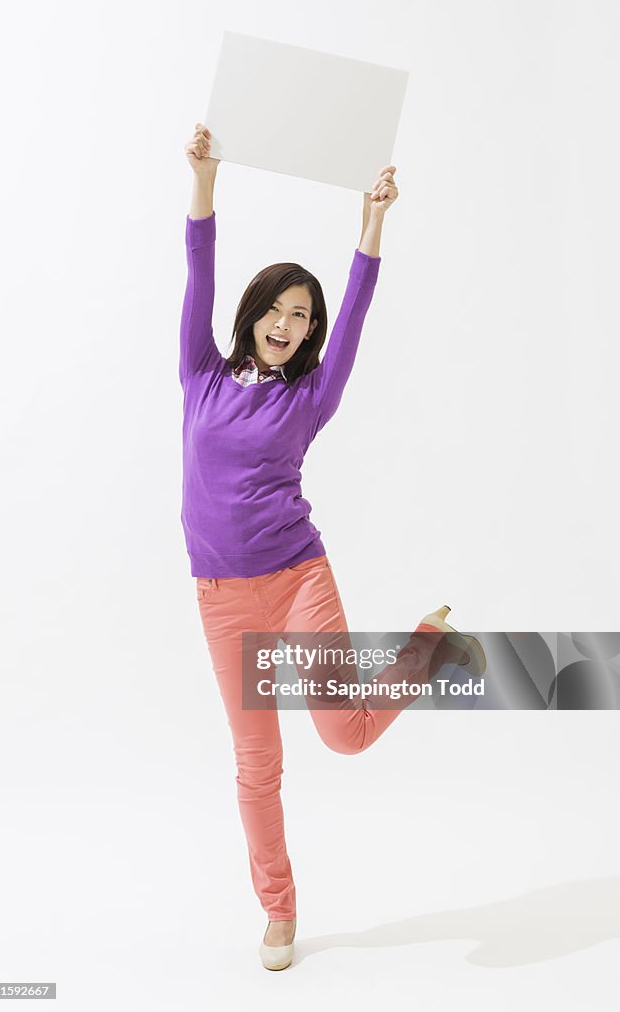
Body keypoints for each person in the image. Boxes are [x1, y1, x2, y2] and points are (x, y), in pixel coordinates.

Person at [179, 123, 486, 971]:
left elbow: (357, 313)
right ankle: (279, 912)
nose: (287, 323)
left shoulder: (310, 398)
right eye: (277, 308)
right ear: (253, 315)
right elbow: (198, 262)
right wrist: (205, 179)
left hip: (297, 578)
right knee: (256, 767)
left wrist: (371, 224)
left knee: (345, 738)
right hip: (220, 596)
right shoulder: (199, 374)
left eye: (301, 316)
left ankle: (426, 651)